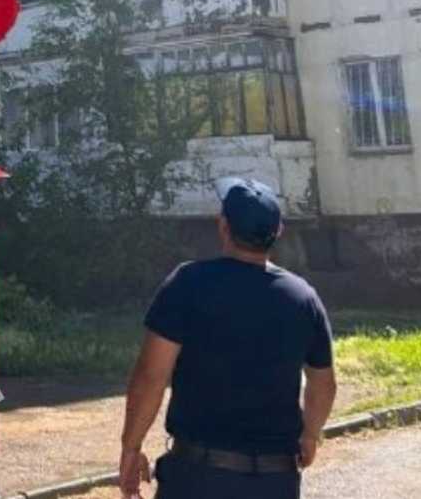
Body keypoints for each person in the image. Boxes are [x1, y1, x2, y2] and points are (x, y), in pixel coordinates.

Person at [119, 179, 337, 499]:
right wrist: (309, 435)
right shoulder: (303, 299)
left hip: (198, 479)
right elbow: (323, 385)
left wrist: (131, 446)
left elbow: (151, 376)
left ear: (223, 226)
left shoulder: (188, 284)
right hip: (274, 481)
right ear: (278, 231)